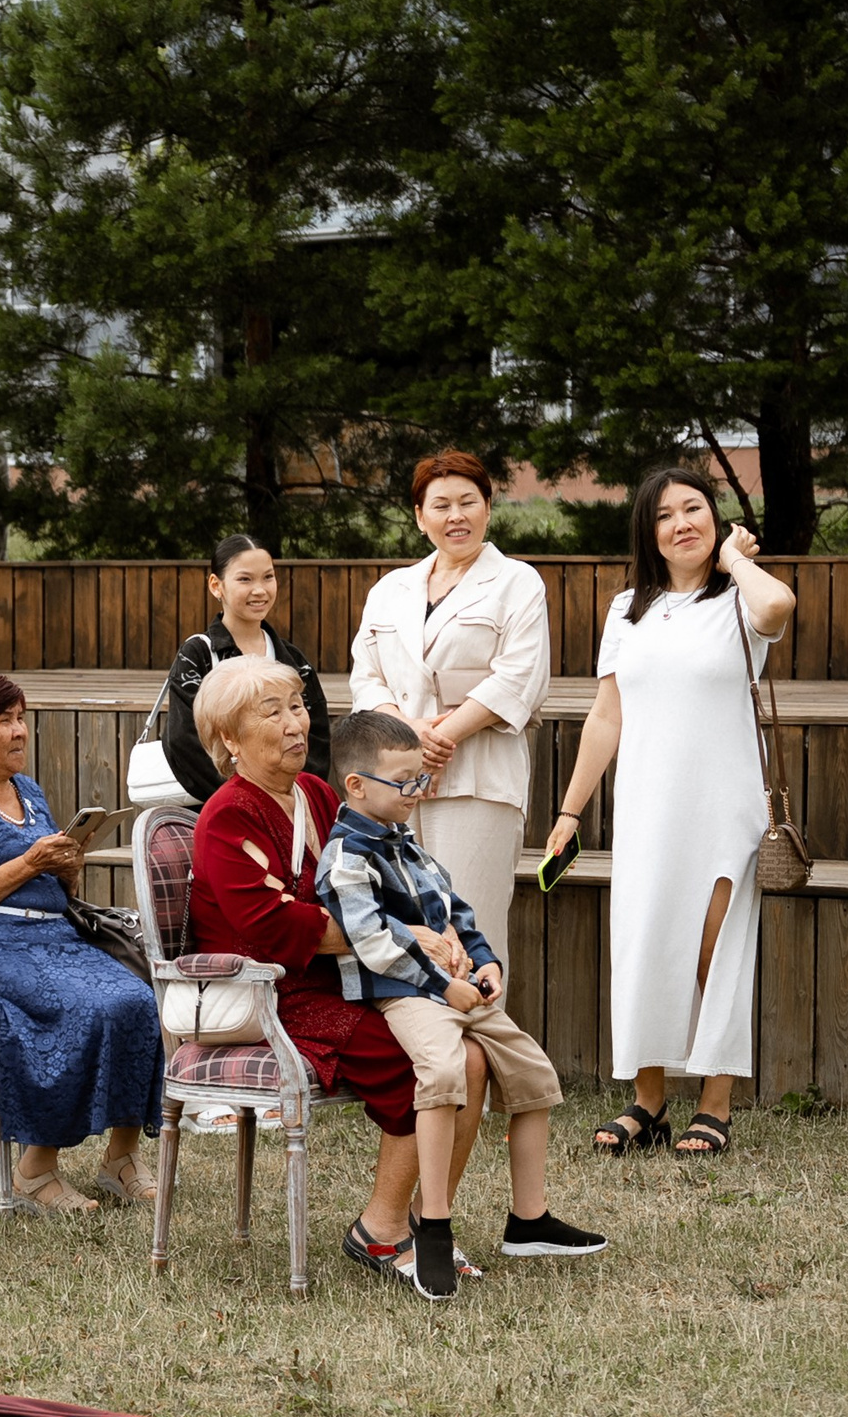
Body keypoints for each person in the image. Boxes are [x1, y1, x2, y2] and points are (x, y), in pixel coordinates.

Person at [184, 655, 487, 1291]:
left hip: (348, 973)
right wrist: (403, 936)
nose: (296, 723)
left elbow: (384, 884)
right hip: (270, 989)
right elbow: (272, 925)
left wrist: (444, 937)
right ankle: (383, 1233)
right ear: (230, 739)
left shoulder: (319, 794)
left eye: (297, 706)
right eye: (272, 713)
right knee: (424, 1066)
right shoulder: (228, 815)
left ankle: (422, 1222)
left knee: (473, 1056)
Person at [547, 467, 796, 1160]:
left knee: (714, 951)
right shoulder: (628, 608)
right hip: (647, 808)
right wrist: (570, 812)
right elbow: (606, 715)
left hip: (723, 806)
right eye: (664, 515)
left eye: (694, 509)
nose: (681, 523)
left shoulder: (740, 599)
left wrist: (734, 560)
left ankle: (715, 1105)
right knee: (646, 943)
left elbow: (779, 605)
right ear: (647, 532)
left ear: (716, 518)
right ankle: (649, 1101)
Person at [316, 708, 606, 1301]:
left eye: (420, 779)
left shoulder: (407, 843)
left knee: (533, 1073)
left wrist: (484, 958)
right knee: (444, 1073)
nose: (417, 792)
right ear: (357, 785)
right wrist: (443, 985)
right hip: (403, 996)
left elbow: (455, 908)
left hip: (452, 986)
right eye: (406, 782)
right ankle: (433, 1225)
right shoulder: (346, 859)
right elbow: (372, 944)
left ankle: (529, 1220)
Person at [0, 674, 162, 1214]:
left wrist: (67, 867)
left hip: (53, 939)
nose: (20, 731)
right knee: (76, 1007)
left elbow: (54, 890)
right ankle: (34, 1171)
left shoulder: (28, 791)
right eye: (4, 721)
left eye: (21, 718)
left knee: (138, 999)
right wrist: (30, 862)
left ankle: (121, 1158)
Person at [348, 453, 551, 966]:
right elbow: (365, 676)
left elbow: (517, 679)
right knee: (403, 932)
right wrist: (408, 735)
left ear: (488, 508)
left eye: (467, 502)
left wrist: (438, 740)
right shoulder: (390, 589)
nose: (455, 516)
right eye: (441, 505)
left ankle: (481, 1021)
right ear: (420, 517)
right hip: (394, 785)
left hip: (477, 782)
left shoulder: (518, 582)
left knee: (471, 933)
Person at [161, 534, 332, 802]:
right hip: (223, 805)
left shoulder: (293, 659)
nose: (260, 590)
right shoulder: (198, 655)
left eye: (268, 577)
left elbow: (317, 737)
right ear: (216, 585)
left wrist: (293, 797)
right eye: (245, 579)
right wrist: (247, 798)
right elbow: (186, 742)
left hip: (292, 807)